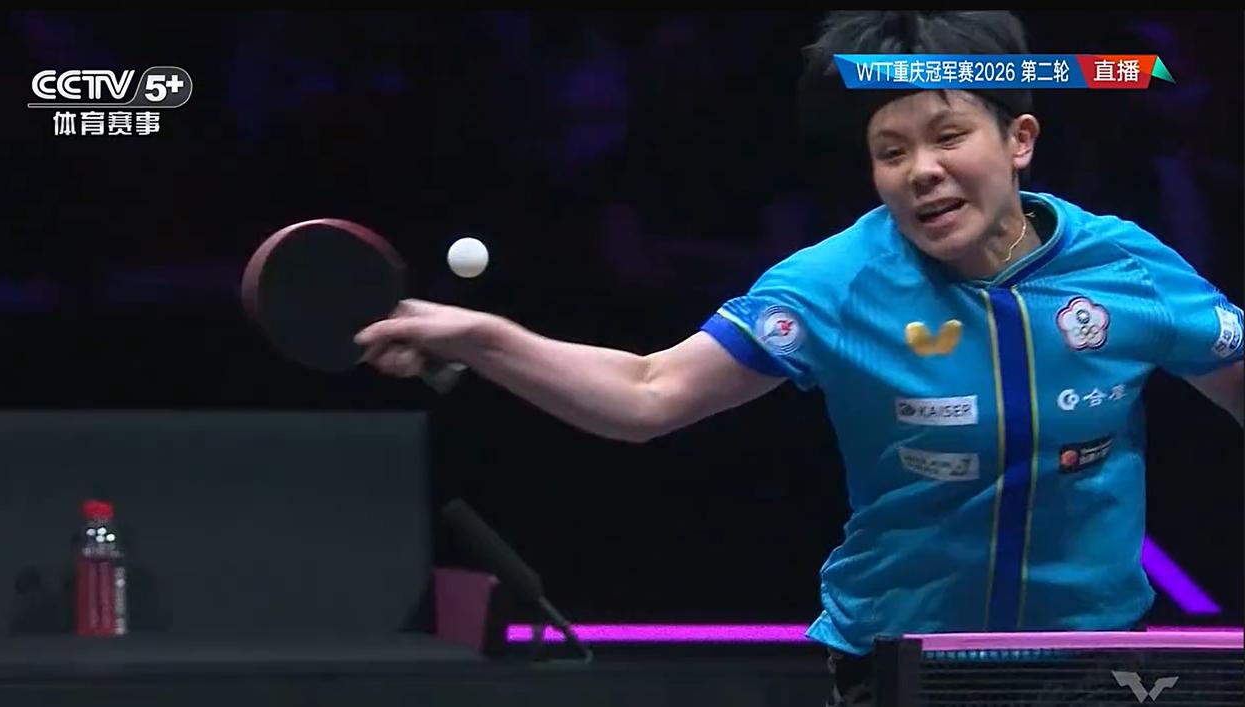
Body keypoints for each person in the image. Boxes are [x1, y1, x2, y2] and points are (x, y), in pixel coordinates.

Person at [354, 11, 1244, 706]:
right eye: (890, 151)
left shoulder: (1121, 266)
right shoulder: (836, 284)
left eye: (947, 136)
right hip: (899, 667)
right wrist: (482, 336)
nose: (920, 170)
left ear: (1019, 140)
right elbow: (648, 392)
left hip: (1092, 664)